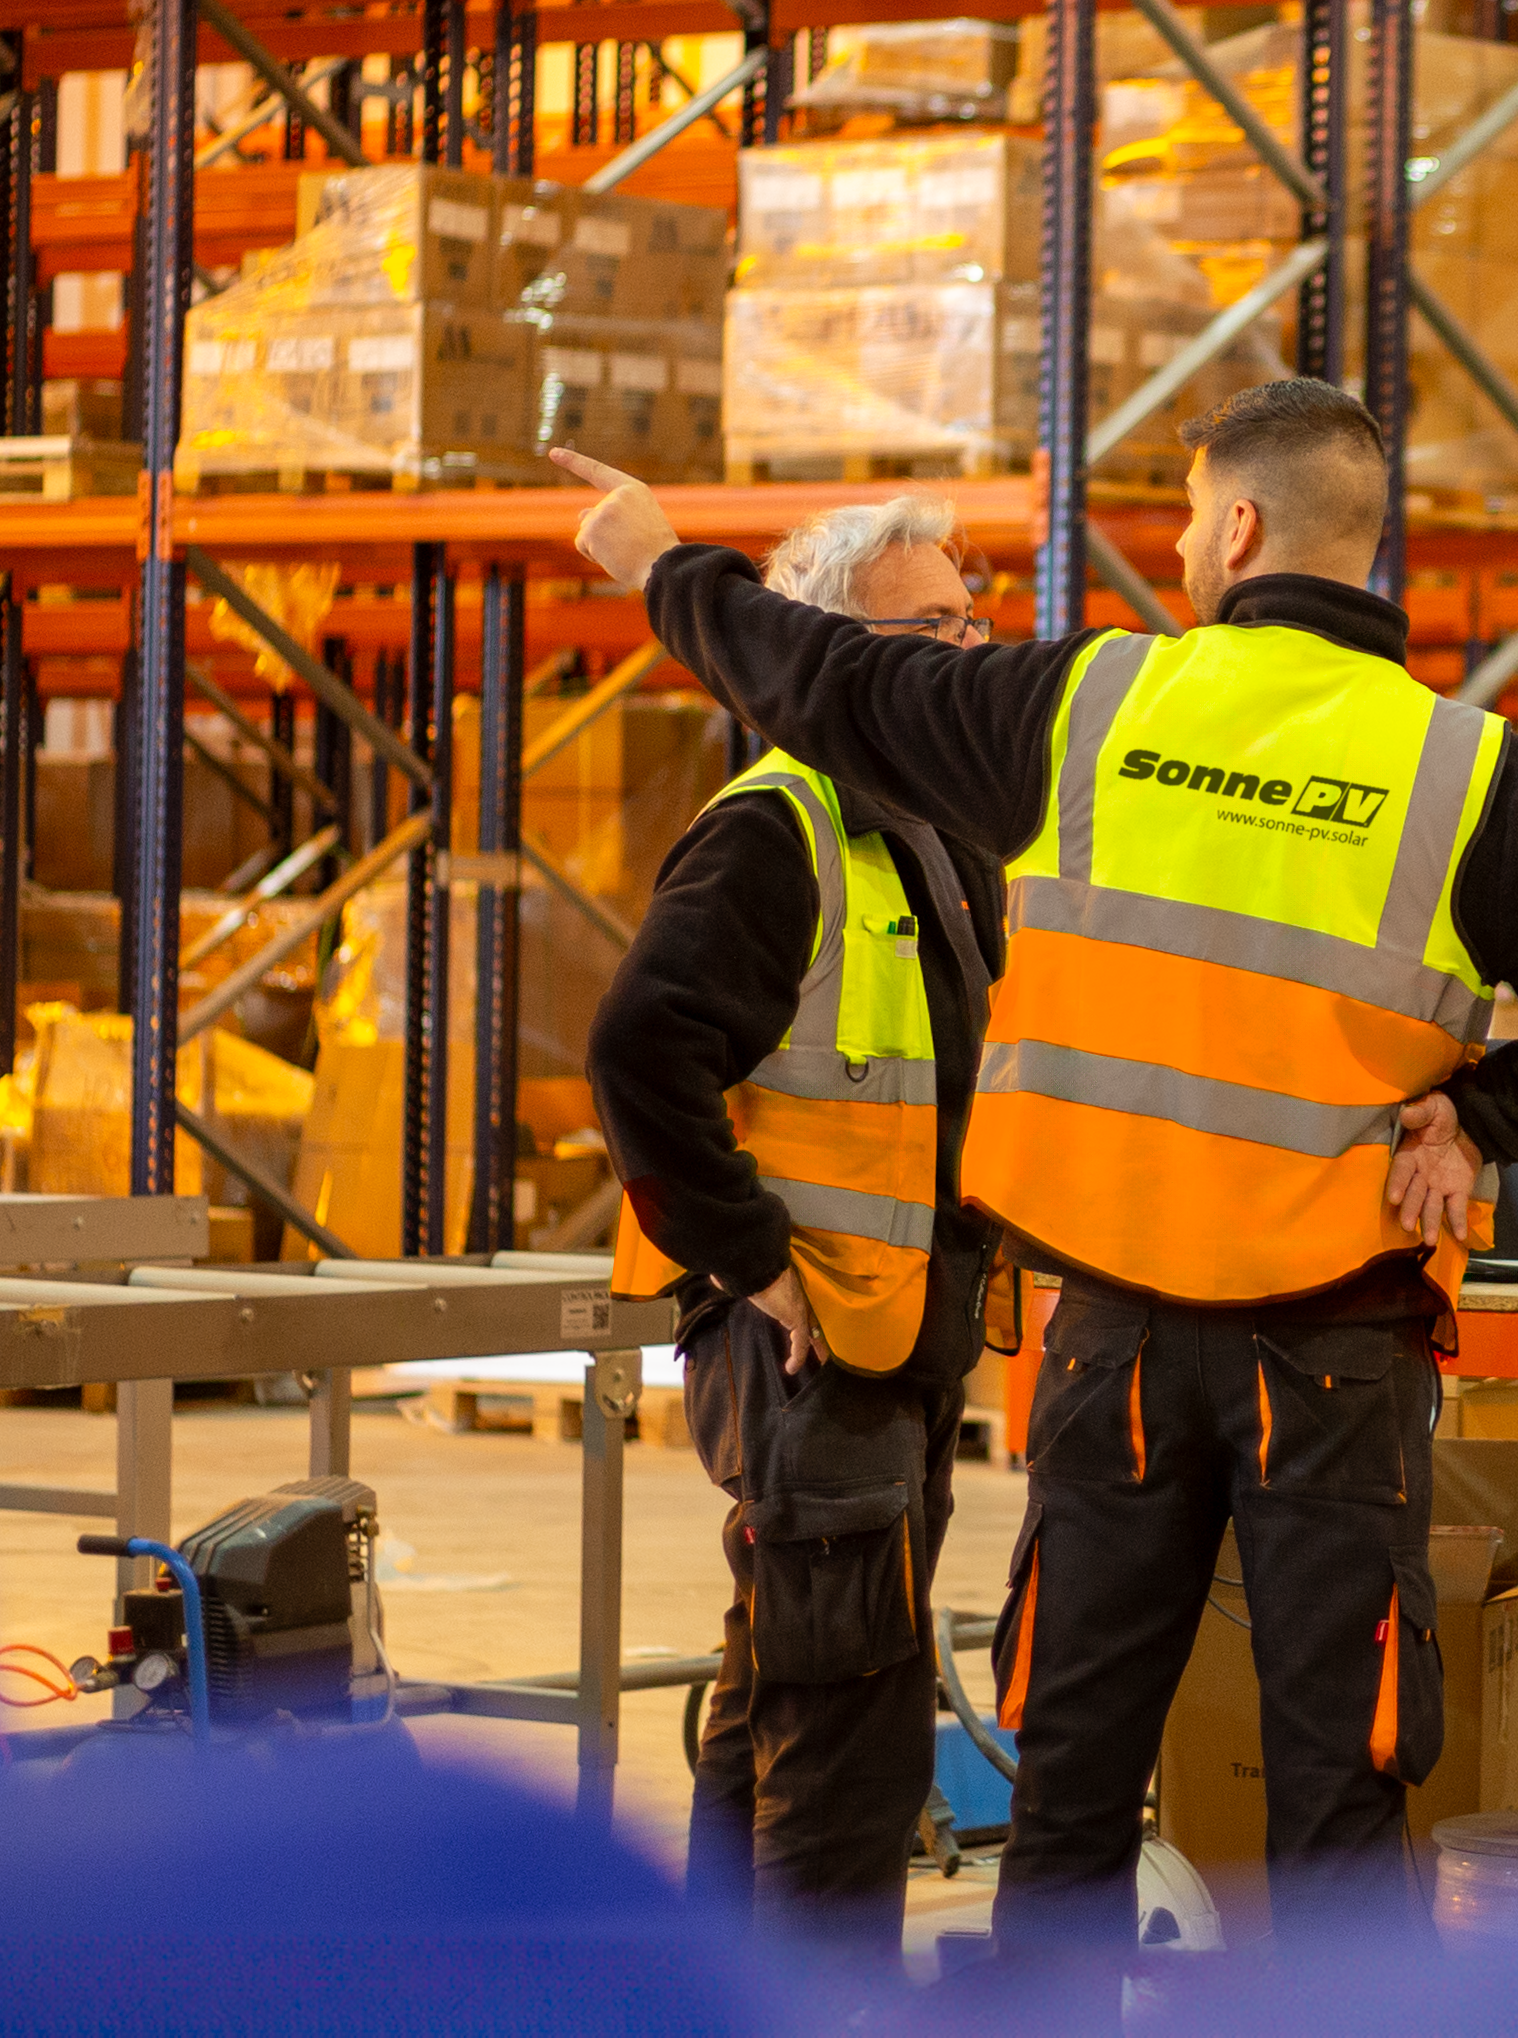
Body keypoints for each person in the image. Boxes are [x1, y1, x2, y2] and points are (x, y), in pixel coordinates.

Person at [554, 382, 1518, 1967]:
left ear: (1237, 528)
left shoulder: (1098, 707)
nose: (1172, 542)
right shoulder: (1472, 774)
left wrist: (668, 563)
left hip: (1115, 1352)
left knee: (1078, 1775)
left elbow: (824, 677)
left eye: (1181, 515)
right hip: (1337, 1356)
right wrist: (1483, 1118)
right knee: (1340, 1782)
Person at [589, 494, 1001, 1973]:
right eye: (929, 630)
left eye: (971, 624)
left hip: (895, 1333)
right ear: (822, 649)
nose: (961, 658)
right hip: (810, 1342)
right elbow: (641, 1051)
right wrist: (751, 1255)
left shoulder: (927, 832)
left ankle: (712, 1989)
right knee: (849, 1722)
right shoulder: (783, 827)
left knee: (785, 1686)